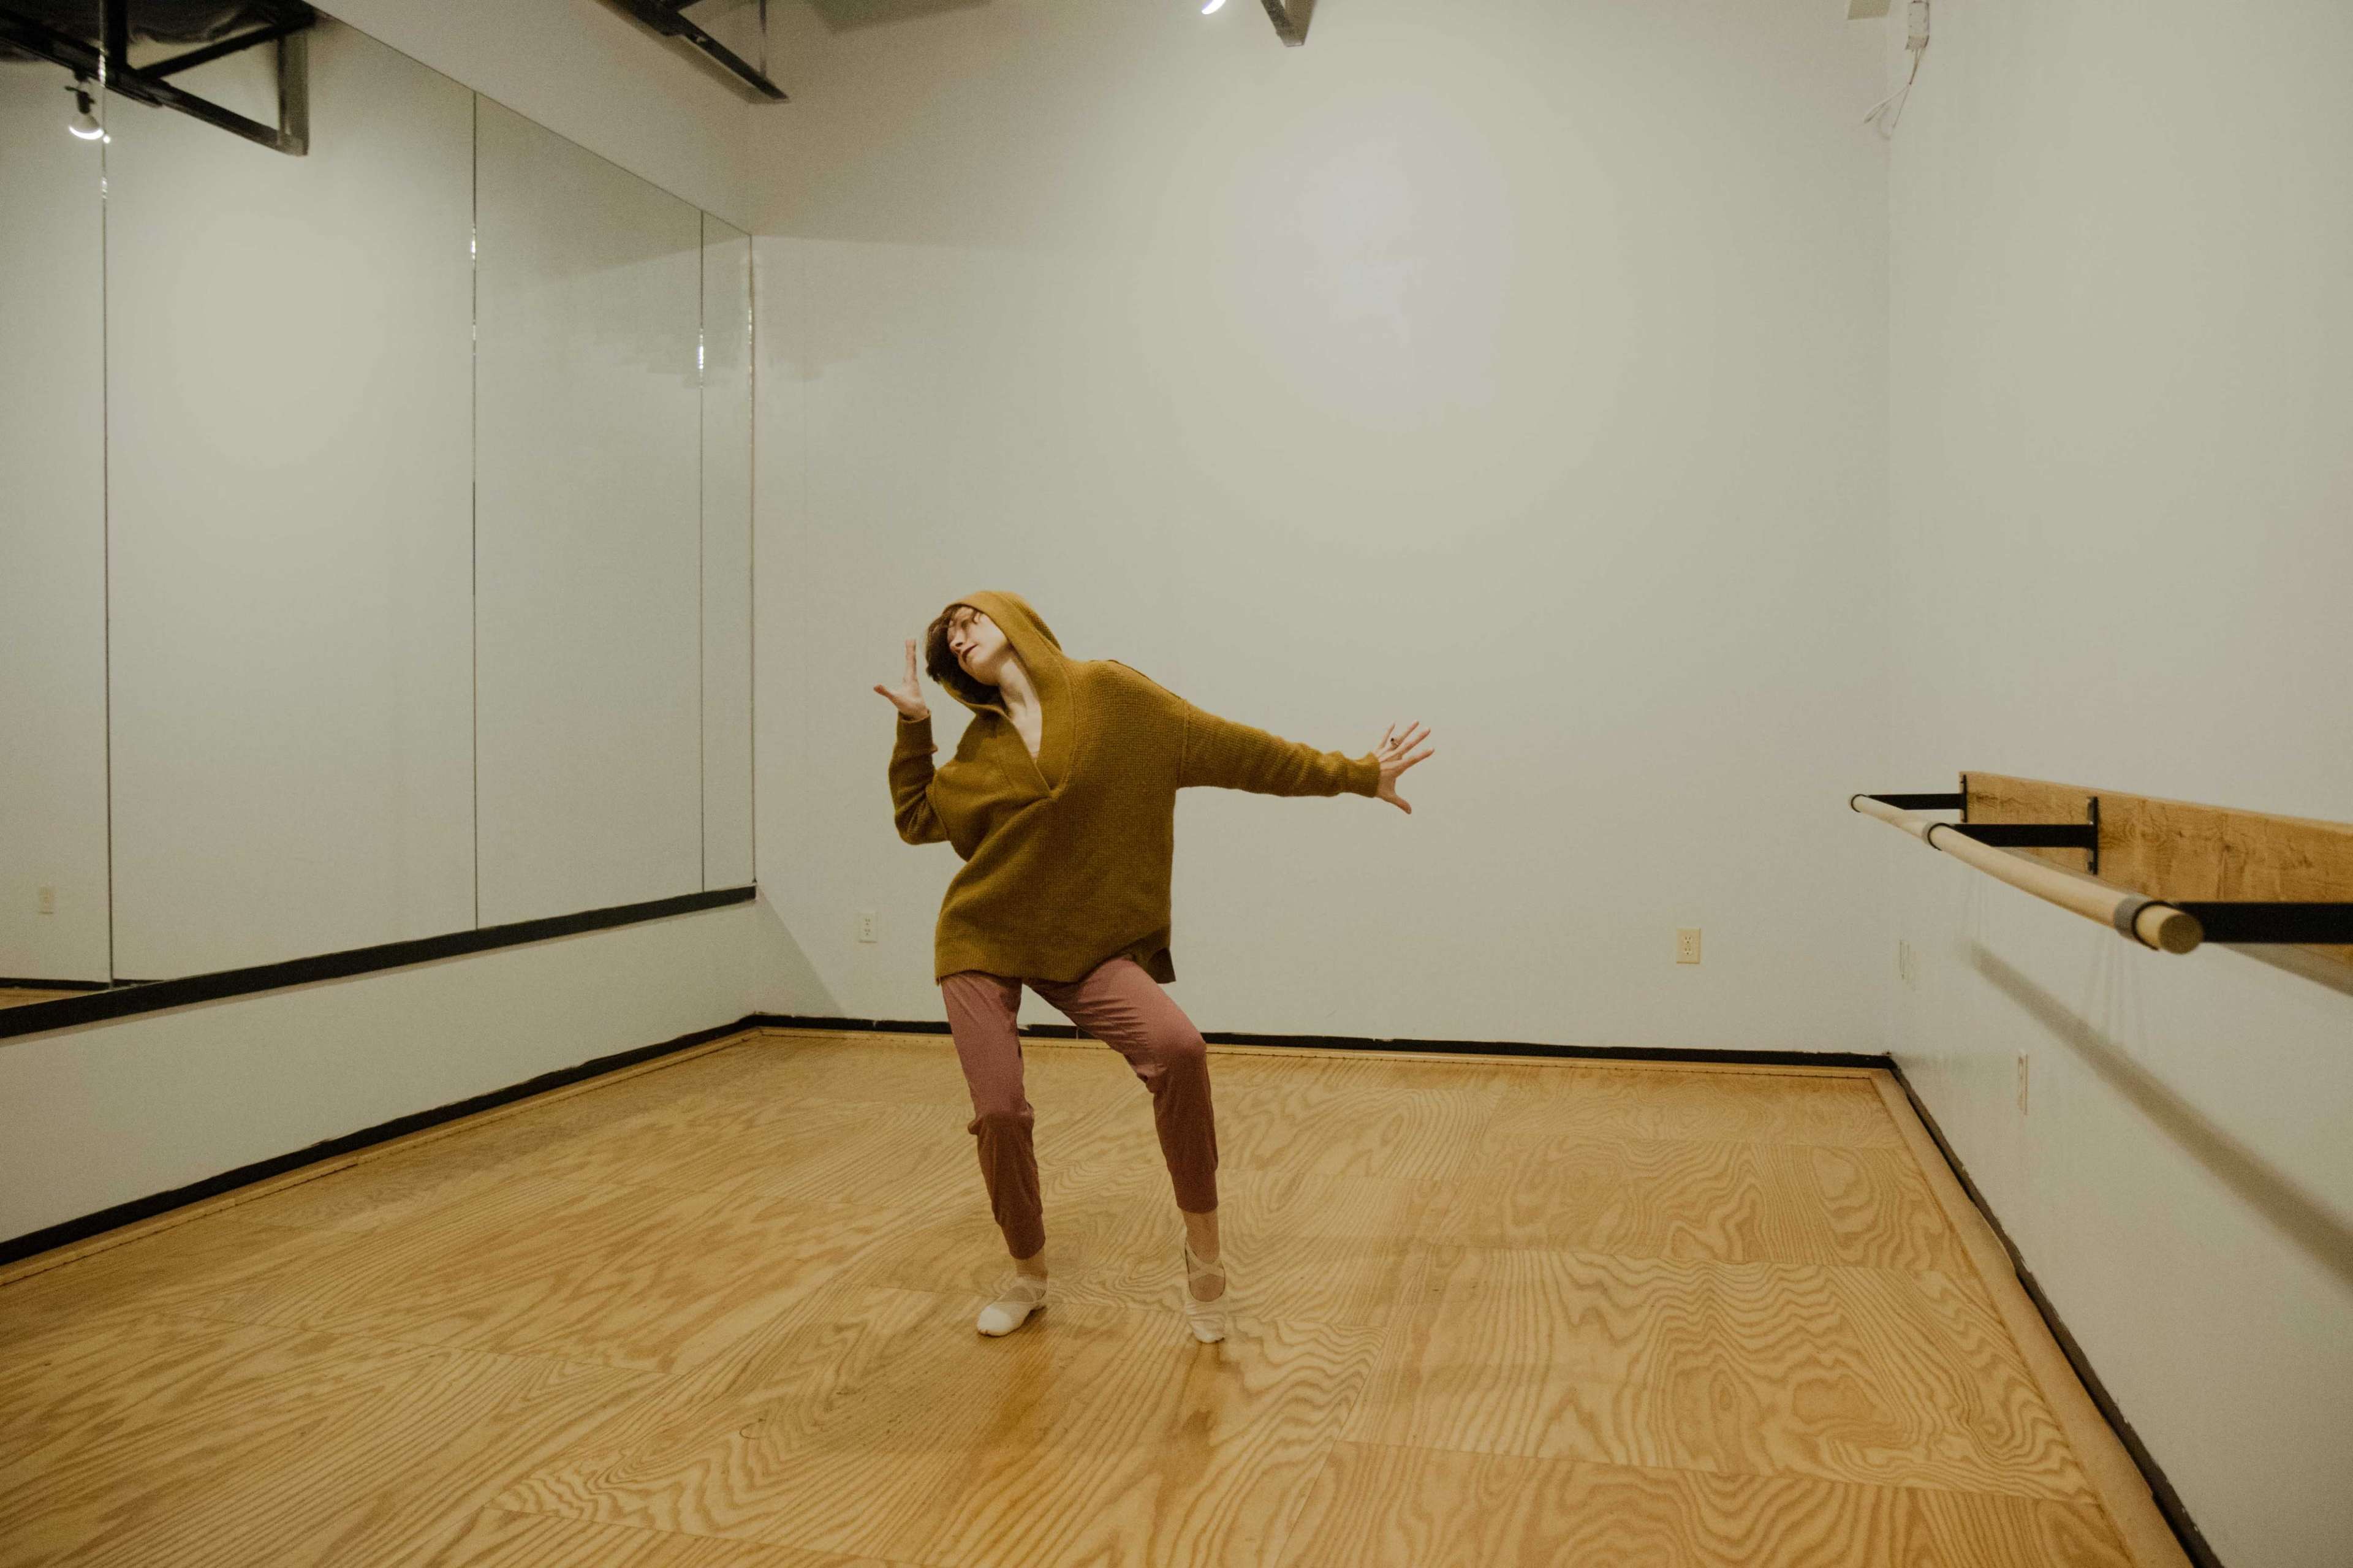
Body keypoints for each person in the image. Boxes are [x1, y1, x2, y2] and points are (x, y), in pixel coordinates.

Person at [873, 590, 1434, 1343]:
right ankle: (1028, 1273)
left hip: (1085, 943)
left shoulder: (1113, 696)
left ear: (1017, 619)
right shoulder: (977, 750)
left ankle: (1205, 1257)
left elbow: (1237, 749)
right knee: (1000, 1111)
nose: (961, 635)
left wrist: (1357, 774)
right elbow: (915, 820)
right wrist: (916, 727)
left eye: (971, 618)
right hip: (983, 935)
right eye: (950, 638)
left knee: (1179, 1050)